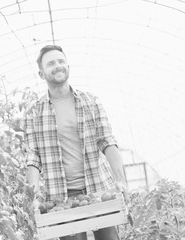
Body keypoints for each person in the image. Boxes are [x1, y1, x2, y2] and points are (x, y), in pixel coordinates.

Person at [23, 45, 128, 240]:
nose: (58, 66)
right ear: (41, 73)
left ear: (68, 66)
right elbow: (33, 158)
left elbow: (107, 141)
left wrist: (120, 180)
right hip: (61, 198)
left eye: (61, 61)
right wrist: (34, 196)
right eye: (51, 63)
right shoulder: (33, 112)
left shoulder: (90, 102)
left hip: (99, 190)